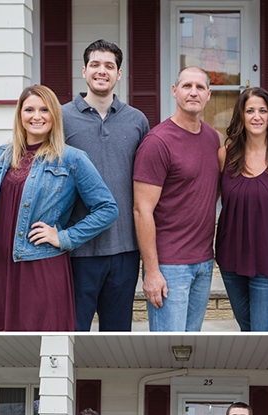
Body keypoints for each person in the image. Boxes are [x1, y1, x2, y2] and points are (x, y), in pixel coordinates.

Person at [0, 85, 118, 331]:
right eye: (29, 109)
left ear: (54, 115)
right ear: (20, 115)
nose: (37, 116)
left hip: (40, 269)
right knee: (0, 350)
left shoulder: (72, 159)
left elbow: (107, 208)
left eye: (44, 110)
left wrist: (64, 237)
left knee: (41, 349)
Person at [62, 40, 150, 331]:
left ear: (119, 74)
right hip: (77, 250)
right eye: (96, 65)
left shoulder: (137, 121)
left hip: (125, 249)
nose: (102, 71)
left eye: (109, 66)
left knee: (117, 337)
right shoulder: (61, 118)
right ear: (84, 71)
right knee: (73, 334)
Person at [133, 66, 221, 332]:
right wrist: (151, 271)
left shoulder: (212, 138)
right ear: (174, 91)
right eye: (186, 86)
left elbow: (209, 191)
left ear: (208, 94)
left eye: (200, 87)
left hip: (204, 262)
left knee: (191, 344)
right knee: (167, 348)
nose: (193, 92)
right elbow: (141, 210)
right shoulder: (157, 142)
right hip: (170, 267)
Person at [216, 88, 268, 331]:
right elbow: (208, 201)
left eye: (263, 111)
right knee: (247, 331)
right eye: (250, 110)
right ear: (240, 116)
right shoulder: (226, 155)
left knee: (263, 335)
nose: (256, 116)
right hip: (231, 260)